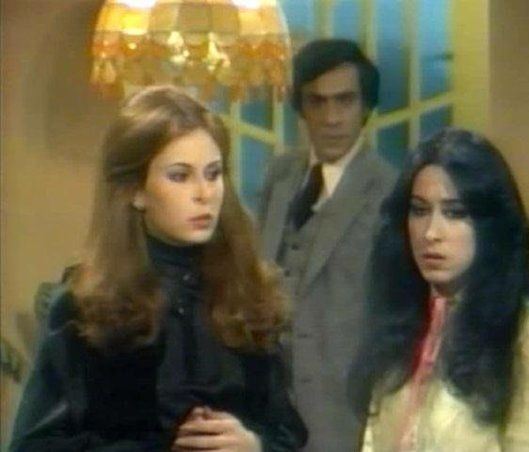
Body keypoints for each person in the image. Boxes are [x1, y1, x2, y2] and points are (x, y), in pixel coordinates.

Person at [10, 85, 307, 452]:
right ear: (135, 191)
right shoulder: (85, 309)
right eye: (180, 176)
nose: (205, 193)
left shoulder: (251, 295)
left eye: (213, 174)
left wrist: (254, 445)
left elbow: (288, 433)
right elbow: (33, 446)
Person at [351, 128, 529, 451]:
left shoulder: (525, 334)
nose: (431, 233)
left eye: (455, 213)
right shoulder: (402, 323)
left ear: (489, 226)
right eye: (419, 211)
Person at [258, 39, 395, 451]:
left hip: (341, 415)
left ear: (366, 107)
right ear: (301, 108)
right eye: (317, 102)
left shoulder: (390, 192)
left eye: (344, 101)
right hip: (267, 411)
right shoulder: (281, 176)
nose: (331, 118)